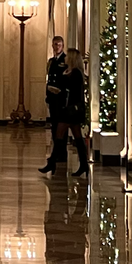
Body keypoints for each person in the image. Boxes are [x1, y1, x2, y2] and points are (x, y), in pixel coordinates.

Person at [40, 47, 90, 177]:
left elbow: (73, 92)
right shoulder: (69, 71)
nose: (66, 57)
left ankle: (52, 162)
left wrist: (60, 90)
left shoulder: (76, 73)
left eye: (68, 56)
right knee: (77, 137)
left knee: (59, 135)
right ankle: (84, 164)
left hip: (70, 110)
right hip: (68, 109)